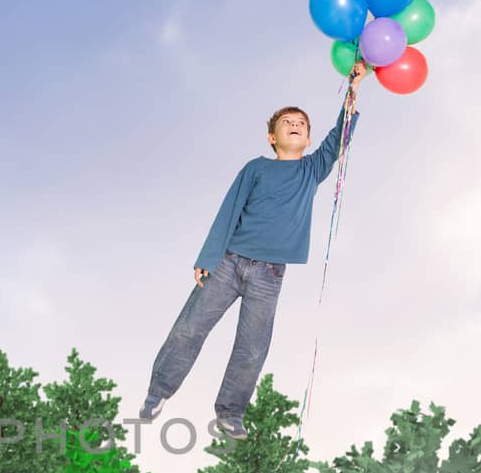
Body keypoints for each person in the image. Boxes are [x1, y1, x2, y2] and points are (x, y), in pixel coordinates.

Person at [139, 62, 368, 440]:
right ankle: (157, 392)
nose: (295, 125)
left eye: (302, 124)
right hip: (229, 262)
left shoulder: (313, 169)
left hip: (270, 274)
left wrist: (354, 90)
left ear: (309, 139)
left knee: (252, 345)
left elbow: (339, 138)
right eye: (286, 122)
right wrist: (207, 257)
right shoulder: (256, 168)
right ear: (271, 137)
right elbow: (229, 210)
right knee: (190, 327)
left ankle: (230, 412)